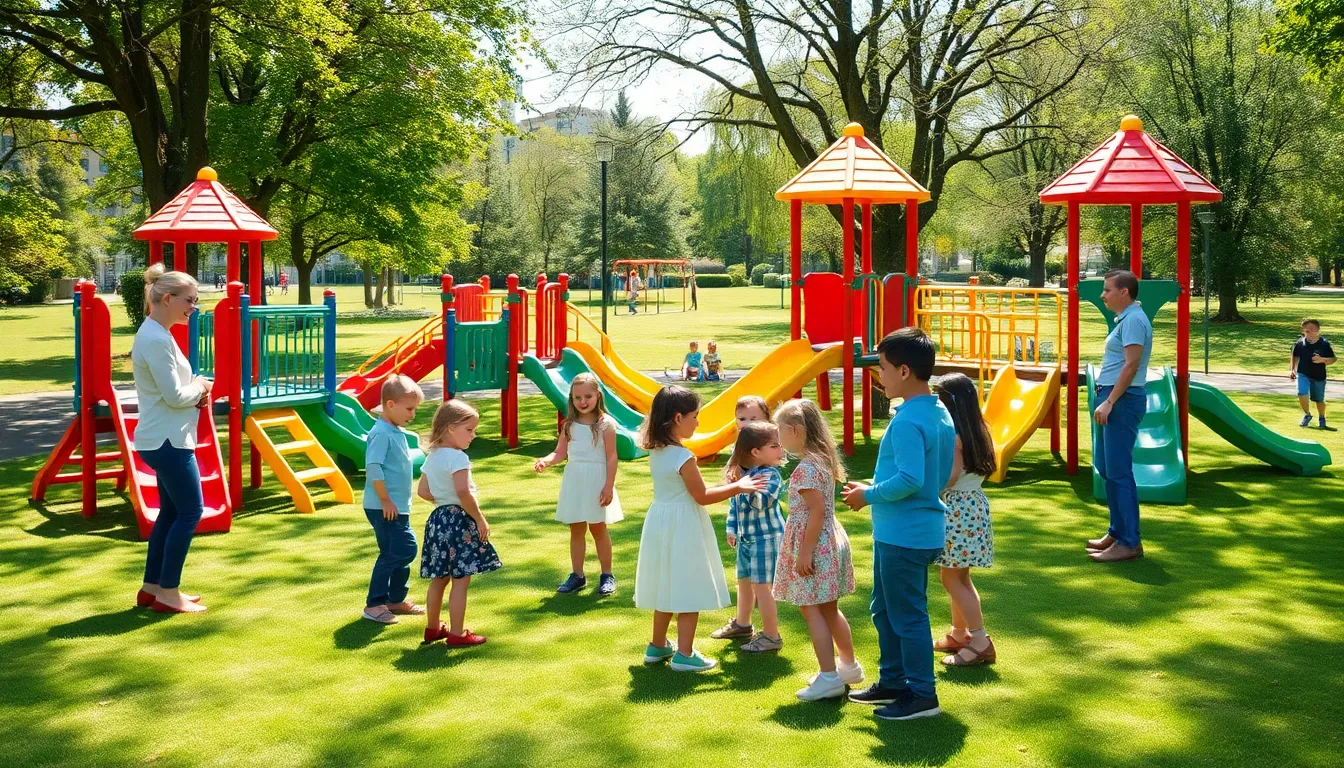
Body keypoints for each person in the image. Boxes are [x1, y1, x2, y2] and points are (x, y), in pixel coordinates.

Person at [841, 327, 955, 721]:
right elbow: (917, 474)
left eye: (884, 368)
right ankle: (893, 680)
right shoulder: (934, 409)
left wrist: (867, 495)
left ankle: (922, 695)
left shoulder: (908, 420)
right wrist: (873, 485)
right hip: (901, 531)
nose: (879, 375)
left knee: (906, 614)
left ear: (904, 371)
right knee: (885, 610)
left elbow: (911, 480)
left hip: (907, 534)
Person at [634, 386, 769, 672]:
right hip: (683, 525)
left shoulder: (658, 451)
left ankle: (658, 645)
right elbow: (702, 496)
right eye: (695, 416)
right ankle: (684, 653)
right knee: (687, 587)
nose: (697, 422)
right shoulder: (684, 457)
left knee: (666, 587)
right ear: (678, 417)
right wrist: (738, 486)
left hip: (661, 521)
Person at [131, 264, 212, 613]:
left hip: (165, 437)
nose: (193, 307)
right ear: (167, 298)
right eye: (189, 301)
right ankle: (168, 593)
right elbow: (176, 396)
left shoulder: (157, 334)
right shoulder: (155, 338)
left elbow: (177, 390)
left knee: (170, 512)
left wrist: (195, 389)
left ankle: (152, 588)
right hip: (167, 441)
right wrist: (201, 386)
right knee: (190, 511)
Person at [774, 399, 863, 701]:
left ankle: (828, 676)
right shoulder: (822, 460)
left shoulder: (805, 469)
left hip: (816, 544)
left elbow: (816, 511)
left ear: (795, 430)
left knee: (811, 609)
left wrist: (804, 552)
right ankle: (847, 666)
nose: (778, 437)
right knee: (828, 607)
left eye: (780, 430)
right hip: (829, 541)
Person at [418, 399, 501, 646]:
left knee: (439, 578)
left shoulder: (432, 456)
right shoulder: (458, 458)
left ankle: (432, 628)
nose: (473, 435)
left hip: (438, 520)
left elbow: (423, 491)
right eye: (469, 430)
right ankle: (456, 633)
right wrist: (479, 519)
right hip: (459, 521)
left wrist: (443, 501)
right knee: (461, 580)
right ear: (451, 428)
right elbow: (464, 492)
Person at [534, 373, 623, 596]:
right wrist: (546, 461)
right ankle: (577, 575)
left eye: (588, 396)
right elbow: (560, 452)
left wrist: (608, 486)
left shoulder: (606, 425)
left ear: (597, 396)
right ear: (571, 399)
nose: (583, 402)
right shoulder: (569, 425)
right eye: (577, 398)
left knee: (598, 528)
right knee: (576, 529)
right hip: (575, 480)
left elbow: (612, 456)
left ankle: (607, 574)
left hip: (597, 480)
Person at [1086, 269, 1153, 563]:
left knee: (1119, 471)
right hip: (1113, 396)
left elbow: (1131, 365)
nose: (1103, 295)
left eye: (1107, 290)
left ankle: (1129, 542)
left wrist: (1111, 401)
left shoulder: (1135, 320)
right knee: (1106, 466)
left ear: (1124, 292)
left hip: (1122, 399)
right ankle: (1117, 531)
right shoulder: (1127, 320)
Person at [931, 373, 998, 667]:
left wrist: (926, 486)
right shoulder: (978, 430)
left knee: (951, 577)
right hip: (973, 506)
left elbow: (950, 477)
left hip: (957, 508)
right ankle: (960, 634)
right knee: (959, 575)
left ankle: (980, 640)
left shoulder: (955, 436)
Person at [715, 422, 786, 653]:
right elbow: (734, 507)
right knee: (744, 583)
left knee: (762, 588)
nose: (781, 449)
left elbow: (761, 503)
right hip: (747, 540)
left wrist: (740, 486)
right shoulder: (743, 475)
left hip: (766, 539)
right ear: (755, 451)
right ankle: (742, 625)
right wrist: (731, 528)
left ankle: (771, 636)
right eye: (774, 445)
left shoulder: (771, 475)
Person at [360, 375, 425, 625]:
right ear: (390, 405)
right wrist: (385, 499)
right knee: (400, 550)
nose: (413, 414)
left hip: (396, 506)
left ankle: (395, 599)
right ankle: (374, 604)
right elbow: (374, 467)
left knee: (400, 553)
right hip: (383, 506)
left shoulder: (395, 431)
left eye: (415, 408)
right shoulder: (381, 433)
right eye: (409, 408)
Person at [1291, 318, 1335, 429]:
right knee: (1301, 392)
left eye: (1311, 329)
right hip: (1303, 373)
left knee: (1319, 400)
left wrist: (1322, 360)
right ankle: (1307, 414)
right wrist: (1292, 370)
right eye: (1305, 330)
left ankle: (1322, 418)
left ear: (1317, 330)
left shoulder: (1324, 344)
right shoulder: (1299, 343)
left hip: (1319, 376)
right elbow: (1294, 356)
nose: (1308, 331)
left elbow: (1333, 359)